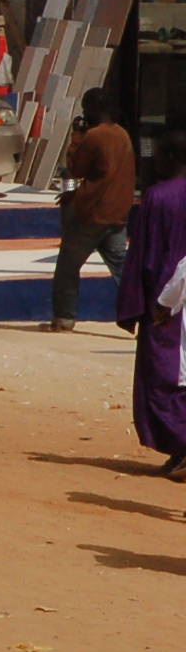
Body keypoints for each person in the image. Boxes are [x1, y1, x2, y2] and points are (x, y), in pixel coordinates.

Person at [117, 129, 186, 478]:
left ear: (171, 158)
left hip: (167, 303)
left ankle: (183, 445)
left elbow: (142, 255)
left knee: (162, 378)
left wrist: (132, 305)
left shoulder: (158, 198)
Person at [52, 85, 133, 334]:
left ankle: (64, 318)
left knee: (67, 267)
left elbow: (76, 169)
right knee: (122, 269)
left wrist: (76, 137)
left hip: (91, 213)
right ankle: (146, 314)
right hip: (118, 213)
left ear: (94, 110)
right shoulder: (122, 135)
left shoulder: (94, 136)